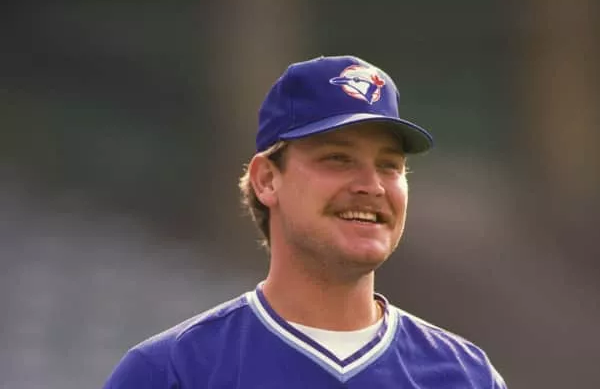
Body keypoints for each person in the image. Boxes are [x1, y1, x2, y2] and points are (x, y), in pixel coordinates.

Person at [103, 55, 507, 388]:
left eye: (389, 165)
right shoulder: (173, 372)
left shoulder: (466, 377)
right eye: (338, 159)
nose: (371, 186)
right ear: (267, 179)